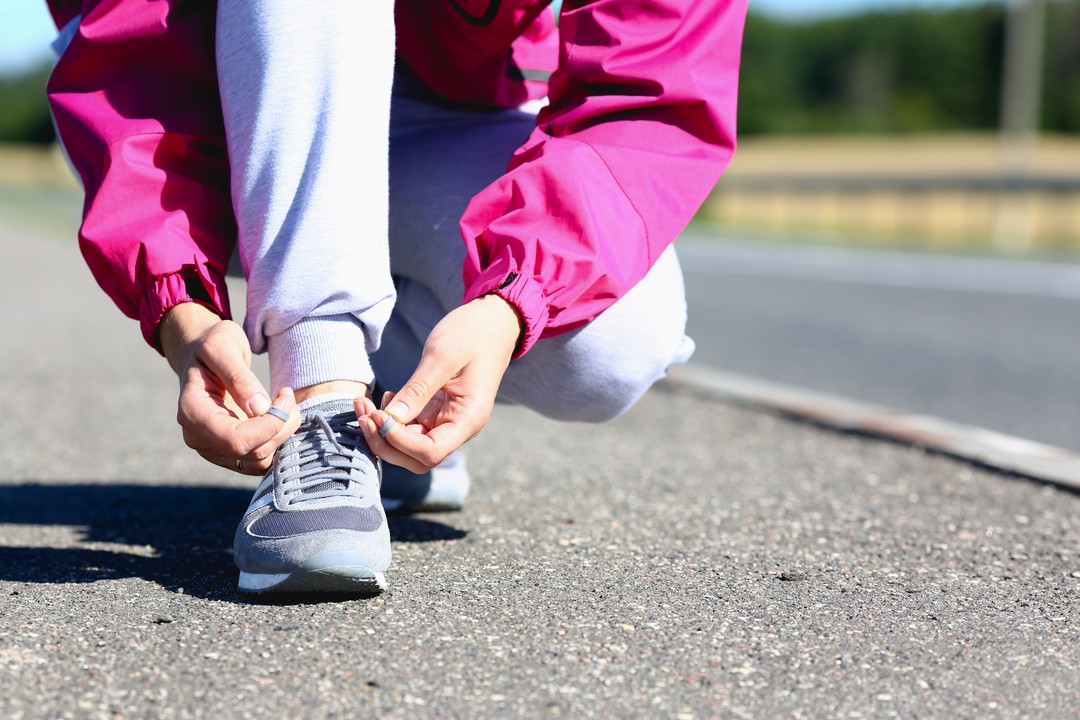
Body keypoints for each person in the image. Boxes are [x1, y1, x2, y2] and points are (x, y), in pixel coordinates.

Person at [45, 0, 747, 596]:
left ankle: (386, 404)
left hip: (452, 118)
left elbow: (650, 86)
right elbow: (127, 70)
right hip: (240, 118)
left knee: (607, 348)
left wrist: (511, 302)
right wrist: (180, 313)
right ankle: (323, 408)